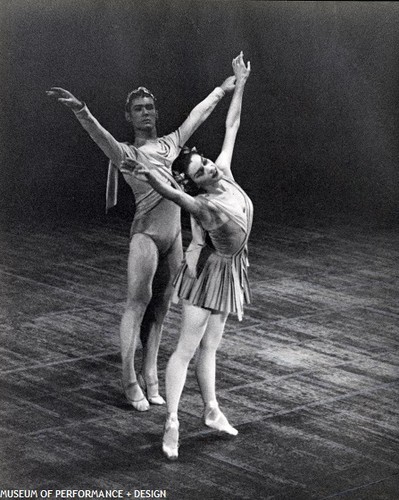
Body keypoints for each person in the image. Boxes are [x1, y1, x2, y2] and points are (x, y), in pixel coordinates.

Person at [46, 68, 236, 411]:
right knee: (138, 302)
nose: (145, 112)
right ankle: (129, 378)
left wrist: (222, 89)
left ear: (156, 112)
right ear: (129, 116)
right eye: (139, 108)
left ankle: (151, 377)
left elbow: (198, 114)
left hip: (174, 236)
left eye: (149, 106)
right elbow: (99, 135)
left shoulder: (171, 143)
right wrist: (81, 109)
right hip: (146, 236)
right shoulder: (125, 154)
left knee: (162, 308)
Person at [126, 51, 252, 459]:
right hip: (206, 277)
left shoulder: (225, 173)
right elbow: (175, 194)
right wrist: (154, 179)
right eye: (203, 171)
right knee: (186, 347)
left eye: (208, 164)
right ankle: (173, 423)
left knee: (211, 347)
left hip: (231, 269)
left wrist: (239, 83)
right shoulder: (203, 206)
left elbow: (230, 125)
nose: (212, 169)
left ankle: (212, 409)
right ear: (195, 183)